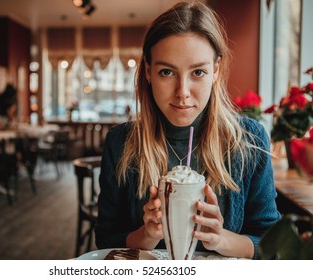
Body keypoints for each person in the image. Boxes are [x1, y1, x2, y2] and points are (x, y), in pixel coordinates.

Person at [95, 1, 280, 259]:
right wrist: (147, 234)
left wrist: (220, 238)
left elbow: (274, 245)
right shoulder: (121, 143)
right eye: (167, 72)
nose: (182, 92)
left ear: (215, 70)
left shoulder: (248, 141)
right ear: (148, 71)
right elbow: (105, 239)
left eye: (198, 72)